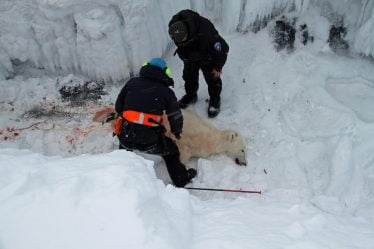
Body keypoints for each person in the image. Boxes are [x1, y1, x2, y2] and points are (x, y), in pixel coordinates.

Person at [115, 57, 197, 187]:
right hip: (149, 141)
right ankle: (181, 180)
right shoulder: (166, 92)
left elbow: (118, 107)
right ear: (164, 72)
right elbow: (175, 116)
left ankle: (119, 174)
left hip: (126, 135)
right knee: (171, 151)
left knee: (125, 148)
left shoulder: (132, 83)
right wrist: (176, 132)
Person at [168, 9, 229, 118]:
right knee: (189, 77)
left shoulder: (206, 32)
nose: (180, 43)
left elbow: (223, 50)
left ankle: (214, 101)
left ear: (188, 32)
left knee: (212, 79)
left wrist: (218, 68)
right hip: (190, 58)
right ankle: (191, 95)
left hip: (207, 57)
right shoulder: (175, 30)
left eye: (183, 40)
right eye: (178, 41)